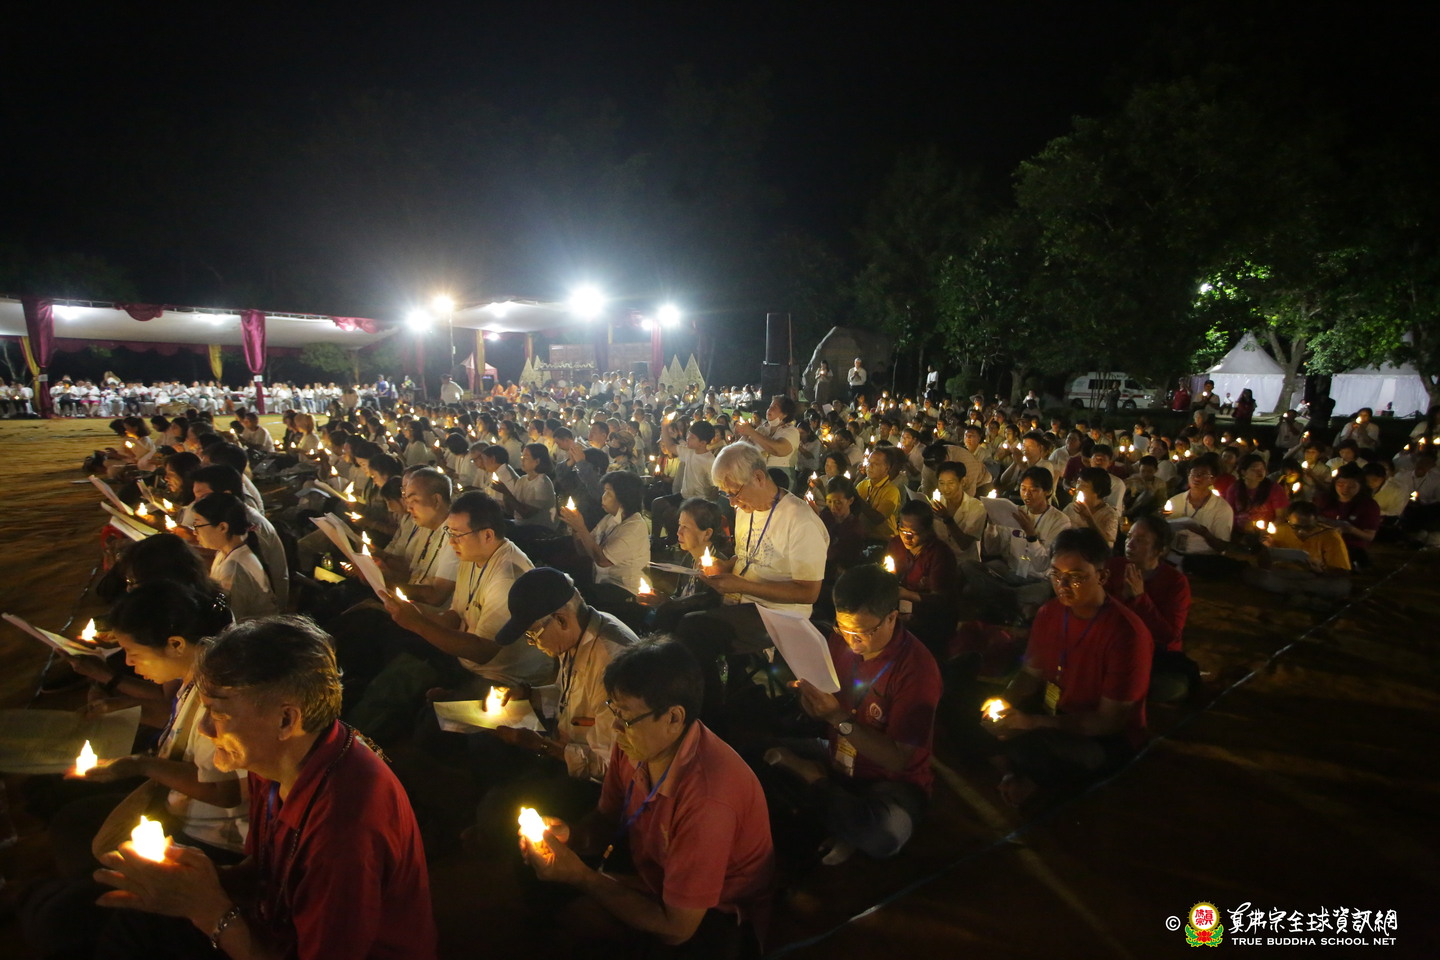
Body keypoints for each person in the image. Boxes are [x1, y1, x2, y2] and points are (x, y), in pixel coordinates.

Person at [92, 615, 436, 960]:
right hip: (273, 925)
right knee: (119, 919)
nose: (205, 729)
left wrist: (209, 910)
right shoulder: (277, 761)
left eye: (218, 713)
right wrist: (208, 880)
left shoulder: (343, 829)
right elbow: (266, 871)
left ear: (285, 719)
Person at [518, 639, 773, 956]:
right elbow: (607, 819)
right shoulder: (636, 744)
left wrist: (581, 877)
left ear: (673, 718)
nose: (615, 727)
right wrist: (571, 837)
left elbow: (677, 928)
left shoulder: (708, 800)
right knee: (539, 882)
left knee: (581, 923)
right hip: (654, 873)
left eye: (625, 717)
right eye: (614, 710)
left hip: (709, 914)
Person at [765, 563, 940, 865]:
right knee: (753, 753)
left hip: (890, 782)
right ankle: (834, 810)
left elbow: (898, 759)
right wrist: (810, 702)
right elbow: (821, 710)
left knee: (882, 835)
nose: (851, 641)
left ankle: (815, 784)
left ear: (892, 618)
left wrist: (837, 718)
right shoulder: (837, 641)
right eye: (843, 628)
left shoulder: (917, 670)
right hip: (837, 757)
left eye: (862, 632)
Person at [984, 529, 1152, 806]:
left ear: (1102, 576)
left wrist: (1031, 723)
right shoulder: (1050, 613)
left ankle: (1025, 777)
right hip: (1053, 713)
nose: (1062, 584)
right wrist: (1004, 706)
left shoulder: (1126, 634)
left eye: (1075, 577)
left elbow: (1109, 722)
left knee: (1041, 749)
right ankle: (1016, 775)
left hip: (1104, 736)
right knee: (973, 710)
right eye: (1055, 574)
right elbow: (1030, 674)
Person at [1104, 516, 1195, 702]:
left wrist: (1139, 599)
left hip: (1154, 653)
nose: (1130, 544)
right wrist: (1122, 598)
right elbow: (1098, 611)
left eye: (1140, 540)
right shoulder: (1114, 567)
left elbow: (1169, 635)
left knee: (1168, 688)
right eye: (1129, 537)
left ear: (1160, 550)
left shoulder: (1175, 582)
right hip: (1113, 645)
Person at [561, 471, 650, 598]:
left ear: (623, 498)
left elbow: (602, 561)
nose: (603, 497)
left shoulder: (634, 527)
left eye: (609, 493)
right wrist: (575, 528)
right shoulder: (609, 518)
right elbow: (584, 550)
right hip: (602, 582)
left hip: (624, 588)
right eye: (604, 492)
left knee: (572, 595)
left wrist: (581, 527)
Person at [192, 493, 278, 622]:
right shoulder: (226, 553)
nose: (195, 532)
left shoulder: (234, 569)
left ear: (222, 527)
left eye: (198, 525)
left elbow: (228, 621)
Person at [1245, 502, 1352, 600]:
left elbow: (1342, 572)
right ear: (1288, 519)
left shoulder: (1331, 536)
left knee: (1340, 586)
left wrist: (1320, 570)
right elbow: (1264, 565)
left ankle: (1292, 592)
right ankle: (1300, 593)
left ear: (1316, 521)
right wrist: (1265, 549)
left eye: (1308, 527)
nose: (1301, 531)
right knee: (1252, 573)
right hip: (1285, 574)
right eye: (1296, 527)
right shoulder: (1280, 530)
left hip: (1313, 578)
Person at [1164, 454, 1236, 576]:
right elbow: (1164, 531)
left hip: (1204, 558)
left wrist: (1204, 533)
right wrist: (1162, 521)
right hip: (1174, 553)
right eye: (1193, 473)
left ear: (1212, 479)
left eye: (1203, 474)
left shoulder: (1222, 508)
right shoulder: (1174, 501)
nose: (1197, 477)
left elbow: (1222, 547)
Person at [734, 395, 800, 487]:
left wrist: (751, 432)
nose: (769, 409)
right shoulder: (762, 429)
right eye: (770, 406)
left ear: (785, 414)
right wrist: (744, 435)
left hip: (781, 479)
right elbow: (741, 449)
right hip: (759, 477)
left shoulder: (791, 431)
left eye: (774, 407)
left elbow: (778, 450)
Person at [929, 460, 986, 561]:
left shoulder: (977, 507)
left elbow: (964, 544)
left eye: (951, 483)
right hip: (940, 560)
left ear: (962, 482)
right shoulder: (936, 503)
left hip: (965, 563)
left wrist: (947, 519)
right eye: (941, 483)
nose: (945, 488)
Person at [854, 445, 904, 540]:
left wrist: (855, 496)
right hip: (863, 536)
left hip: (883, 539)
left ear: (887, 468)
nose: (870, 466)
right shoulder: (862, 485)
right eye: (869, 462)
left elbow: (878, 518)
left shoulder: (891, 491)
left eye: (876, 464)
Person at [1064, 467, 1120, 547]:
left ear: (1098, 491)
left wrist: (1089, 518)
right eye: (1078, 482)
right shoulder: (1071, 508)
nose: (1078, 488)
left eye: (1084, 485)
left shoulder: (1109, 514)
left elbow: (1107, 545)